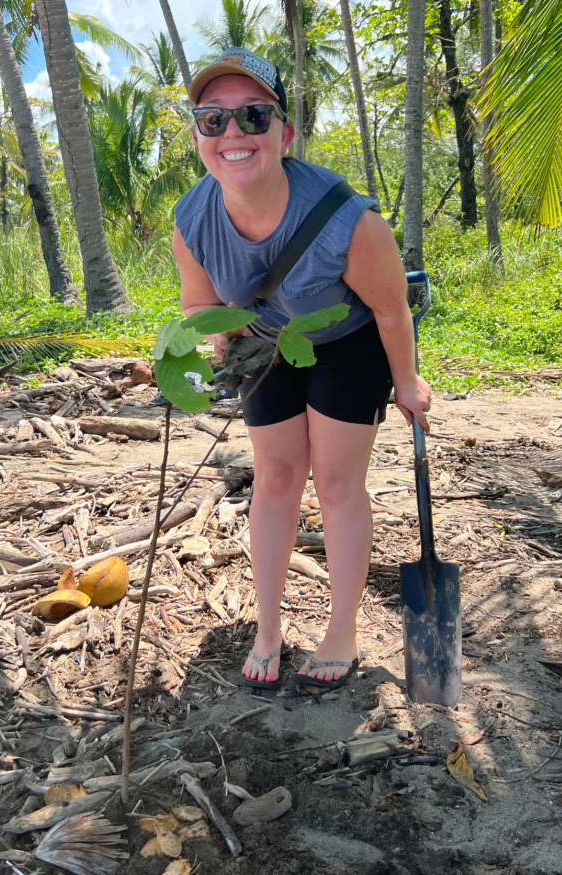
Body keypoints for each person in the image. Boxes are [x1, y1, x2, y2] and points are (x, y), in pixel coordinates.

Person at [173, 48, 431, 693]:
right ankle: (268, 626)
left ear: (284, 133)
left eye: (253, 116)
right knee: (277, 475)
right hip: (265, 345)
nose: (233, 134)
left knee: (339, 484)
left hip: (347, 341)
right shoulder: (191, 218)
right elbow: (200, 304)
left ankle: (340, 629)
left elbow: (392, 311)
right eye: (213, 120)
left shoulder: (350, 221)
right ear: (199, 134)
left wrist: (407, 382)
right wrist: (214, 349)